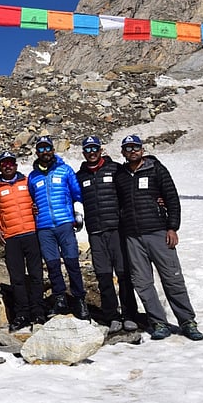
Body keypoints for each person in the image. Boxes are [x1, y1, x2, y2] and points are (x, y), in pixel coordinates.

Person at [114, 135, 203, 341]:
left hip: (158, 233)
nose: (132, 151)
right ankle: (158, 322)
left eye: (136, 147)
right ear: (123, 152)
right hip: (133, 237)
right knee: (142, 282)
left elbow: (171, 198)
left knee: (172, 278)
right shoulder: (121, 175)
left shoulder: (156, 169)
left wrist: (172, 227)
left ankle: (187, 321)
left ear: (142, 149)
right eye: (128, 148)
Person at [76, 136, 139, 332]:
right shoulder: (81, 176)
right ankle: (112, 316)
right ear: (84, 153)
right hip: (95, 232)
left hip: (116, 230)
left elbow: (131, 191)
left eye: (95, 148)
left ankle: (130, 314)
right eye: (88, 149)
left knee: (123, 274)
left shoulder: (116, 169)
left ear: (101, 149)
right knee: (103, 276)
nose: (92, 152)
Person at [27, 136, 90, 320]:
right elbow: (32, 199)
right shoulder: (33, 176)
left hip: (64, 224)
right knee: (53, 266)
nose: (45, 152)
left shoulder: (65, 171)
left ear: (53, 150)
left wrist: (77, 213)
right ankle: (60, 299)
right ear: (37, 152)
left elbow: (78, 194)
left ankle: (79, 300)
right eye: (41, 149)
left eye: (48, 148)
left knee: (72, 264)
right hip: (44, 227)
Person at [0, 151, 45, 331]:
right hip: (11, 238)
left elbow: (38, 200)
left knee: (36, 276)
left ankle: (38, 312)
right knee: (17, 278)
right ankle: (22, 314)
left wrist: (37, 209)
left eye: (11, 163)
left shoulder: (27, 182)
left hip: (31, 234)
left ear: (16, 165)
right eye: (4, 163)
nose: (8, 166)